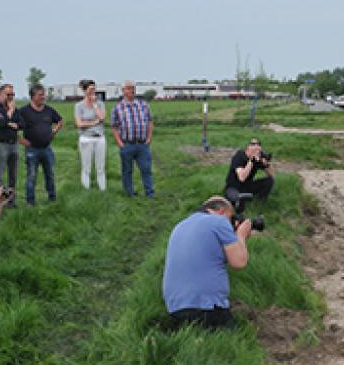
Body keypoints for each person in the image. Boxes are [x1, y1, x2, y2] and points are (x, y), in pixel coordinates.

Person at [162, 196, 253, 330]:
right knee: (239, 342)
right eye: (231, 218)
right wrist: (241, 236)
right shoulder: (219, 221)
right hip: (207, 307)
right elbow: (239, 262)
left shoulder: (180, 225)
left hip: (175, 307)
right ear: (222, 211)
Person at [18, 85, 63, 205]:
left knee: (50, 174)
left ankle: (52, 198)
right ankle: (30, 201)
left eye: (44, 94)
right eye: (40, 95)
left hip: (46, 148)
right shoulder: (24, 111)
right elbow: (12, 126)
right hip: (32, 149)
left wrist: (54, 131)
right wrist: (21, 140)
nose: (43, 97)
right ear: (32, 96)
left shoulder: (49, 110)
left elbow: (60, 121)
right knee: (31, 176)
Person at [110, 81, 154, 197]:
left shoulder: (143, 105)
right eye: (128, 88)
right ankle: (130, 193)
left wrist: (149, 138)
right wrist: (120, 143)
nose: (131, 91)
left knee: (146, 169)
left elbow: (150, 121)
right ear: (123, 90)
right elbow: (114, 127)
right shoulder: (118, 108)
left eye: (133, 88)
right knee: (127, 171)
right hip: (127, 144)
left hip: (142, 144)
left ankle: (149, 193)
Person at [0, 83, 21, 204]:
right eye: (8, 94)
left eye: (13, 94)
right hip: (0, 145)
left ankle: (11, 201)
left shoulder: (15, 109)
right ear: (0, 94)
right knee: (0, 174)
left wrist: (9, 122)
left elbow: (21, 123)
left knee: (13, 175)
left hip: (14, 144)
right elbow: (0, 123)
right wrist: (10, 114)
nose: (11, 97)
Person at [224, 138, 273, 212]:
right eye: (253, 144)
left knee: (269, 181)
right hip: (233, 187)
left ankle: (259, 203)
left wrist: (266, 164)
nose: (256, 147)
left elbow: (271, 175)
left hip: (247, 186)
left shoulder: (258, 159)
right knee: (237, 199)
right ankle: (241, 200)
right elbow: (242, 177)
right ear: (247, 147)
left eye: (258, 145)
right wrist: (251, 161)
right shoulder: (240, 156)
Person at [75, 79, 107, 190]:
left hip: (99, 138)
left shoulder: (100, 104)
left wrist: (94, 105)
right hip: (86, 138)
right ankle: (86, 190)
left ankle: (103, 190)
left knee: (100, 167)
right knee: (86, 167)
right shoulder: (79, 106)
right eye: (91, 89)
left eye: (94, 88)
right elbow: (79, 124)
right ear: (85, 90)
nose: (94, 91)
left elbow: (102, 117)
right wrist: (94, 122)